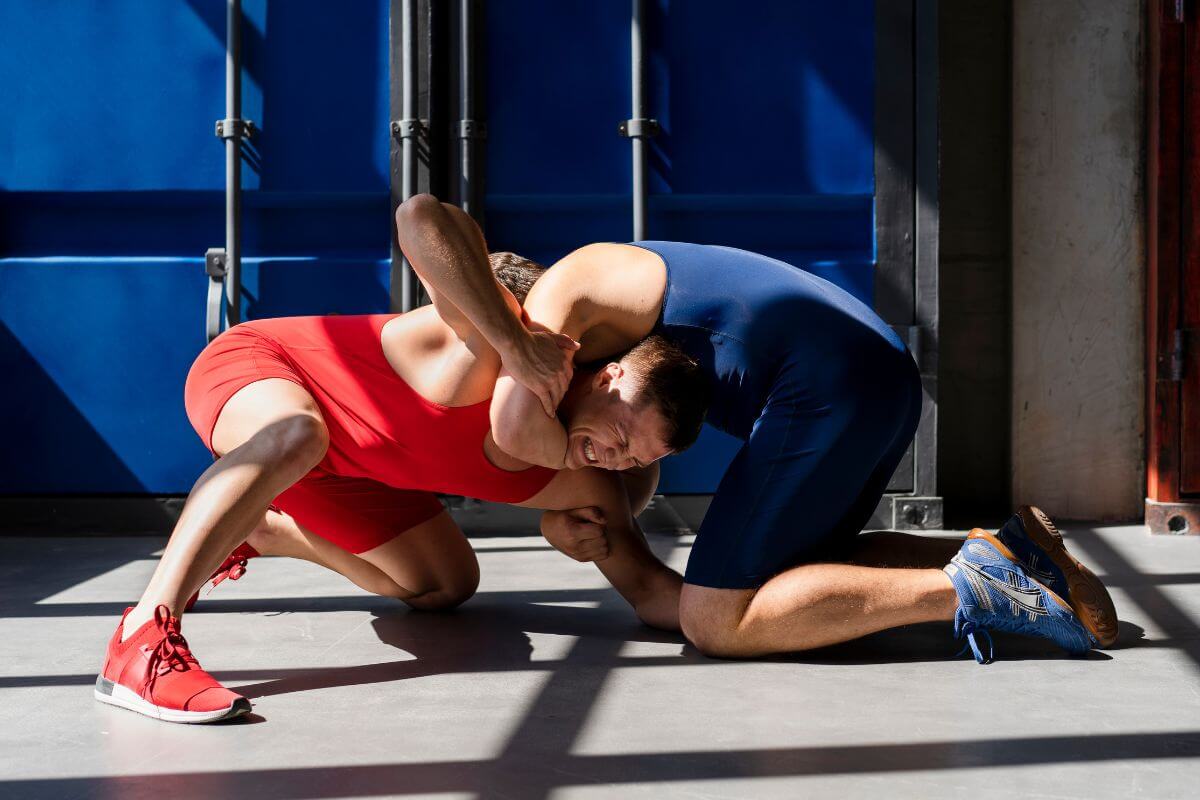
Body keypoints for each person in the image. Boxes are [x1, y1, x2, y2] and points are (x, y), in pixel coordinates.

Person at [397, 193, 1119, 665]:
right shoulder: (624, 352)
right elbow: (631, 481)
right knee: (794, 581)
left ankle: (974, 587)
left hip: (829, 383)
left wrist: (513, 347)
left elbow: (510, 437)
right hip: (871, 377)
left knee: (715, 622)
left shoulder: (567, 293)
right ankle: (1010, 551)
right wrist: (583, 507)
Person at [94, 204, 709, 724]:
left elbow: (651, 591)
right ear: (604, 377)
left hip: (340, 470)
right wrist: (516, 343)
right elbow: (419, 214)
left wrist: (759, 616)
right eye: (622, 434)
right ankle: (143, 636)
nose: (616, 456)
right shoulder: (488, 353)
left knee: (445, 587)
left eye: (635, 457)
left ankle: (258, 527)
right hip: (265, 372)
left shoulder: (588, 477)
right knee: (297, 434)